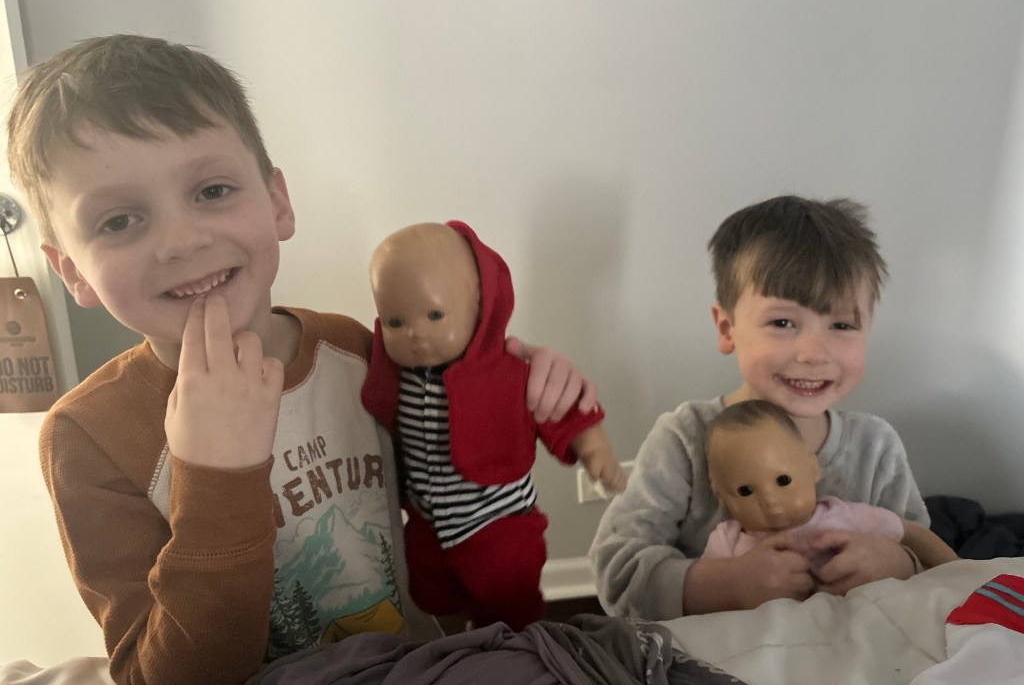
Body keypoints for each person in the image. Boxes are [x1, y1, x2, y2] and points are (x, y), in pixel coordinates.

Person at [6, 34, 600, 685]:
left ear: (278, 203)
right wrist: (216, 477)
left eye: (212, 190)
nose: (181, 240)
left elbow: (446, 478)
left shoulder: (354, 350)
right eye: (119, 221)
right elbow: (160, 675)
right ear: (71, 271)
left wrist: (513, 378)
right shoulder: (87, 438)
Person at [590, 194, 929, 620]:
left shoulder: (875, 447)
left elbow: (925, 553)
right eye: (782, 322)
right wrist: (728, 584)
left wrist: (898, 563)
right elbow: (617, 570)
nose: (813, 353)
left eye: (842, 325)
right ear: (726, 328)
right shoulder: (684, 438)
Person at [361, 221, 625, 631]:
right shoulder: (394, 375)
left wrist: (594, 447)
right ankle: (453, 642)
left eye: (434, 314)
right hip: (428, 524)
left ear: (479, 305)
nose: (415, 334)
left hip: (497, 524)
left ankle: (512, 647)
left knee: (509, 602)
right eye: (395, 322)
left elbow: (560, 406)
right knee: (431, 595)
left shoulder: (508, 372)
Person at [701, 399, 957, 573]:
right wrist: (737, 585)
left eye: (783, 480)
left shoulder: (844, 517)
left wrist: (962, 574)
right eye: (746, 491)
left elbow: (911, 533)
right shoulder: (726, 543)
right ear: (721, 494)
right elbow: (705, 599)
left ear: (813, 468)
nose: (770, 501)